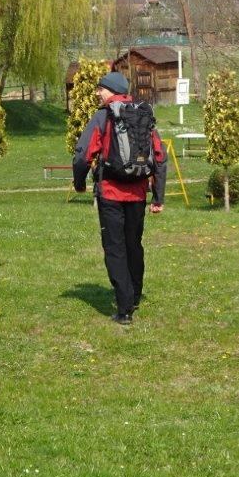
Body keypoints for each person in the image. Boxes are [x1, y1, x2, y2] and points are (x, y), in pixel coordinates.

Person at [73, 71, 167, 325]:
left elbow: (82, 156)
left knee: (115, 249)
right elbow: (159, 157)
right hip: (137, 194)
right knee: (133, 246)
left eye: (100, 89)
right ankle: (135, 295)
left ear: (111, 90)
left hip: (111, 193)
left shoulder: (103, 117)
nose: (97, 93)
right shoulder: (142, 115)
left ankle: (124, 308)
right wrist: (157, 198)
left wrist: (79, 183)